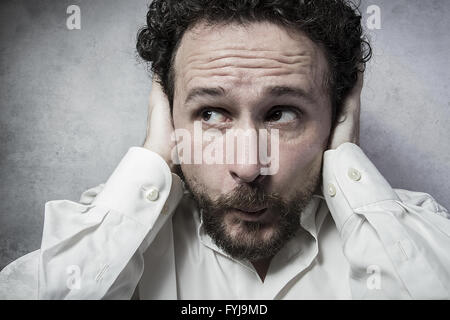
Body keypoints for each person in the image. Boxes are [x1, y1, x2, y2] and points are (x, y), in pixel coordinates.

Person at [1, 0, 449, 300]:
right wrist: (156, 154)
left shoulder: (407, 235)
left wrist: (348, 160)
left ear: (337, 112)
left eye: (281, 114)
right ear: (167, 112)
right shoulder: (112, 237)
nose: (248, 166)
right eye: (211, 114)